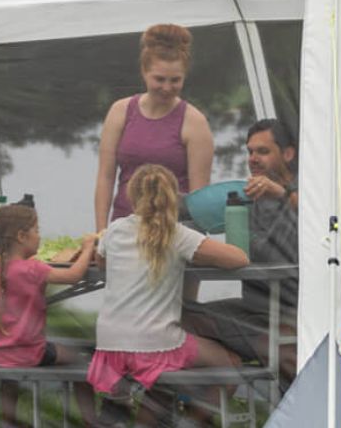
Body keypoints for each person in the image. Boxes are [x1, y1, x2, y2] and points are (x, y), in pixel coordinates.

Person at [88, 164, 248, 427]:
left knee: (161, 383)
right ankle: (191, 421)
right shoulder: (178, 235)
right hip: (154, 344)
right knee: (231, 365)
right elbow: (239, 259)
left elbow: (102, 262)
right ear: (173, 198)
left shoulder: (115, 229)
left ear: (131, 196)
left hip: (110, 347)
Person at [183, 118, 300, 385]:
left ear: (288, 153)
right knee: (179, 318)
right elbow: (194, 210)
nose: (253, 159)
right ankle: (228, 371)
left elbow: (325, 221)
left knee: (279, 346)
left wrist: (281, 193)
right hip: (255, 307)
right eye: (250, 151)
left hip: (297, 310)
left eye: (263, 151)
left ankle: (280, 361)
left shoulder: (311, 190)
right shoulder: (250, 194)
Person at [0, 204, 98, 426]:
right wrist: (87, 249)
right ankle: (91, 422)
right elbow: (73, 276)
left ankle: (8, 422)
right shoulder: (34, 269)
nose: (39, 236)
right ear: (22, 236)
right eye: (37, 230)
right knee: (81, 361)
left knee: (9, 378)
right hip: (30, 354)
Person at [95, 23, 214, 232]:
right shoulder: (120, 111)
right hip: (123, 229)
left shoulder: (195, 122)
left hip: (174, 232)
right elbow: (105, 177)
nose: (167, 88)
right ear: (144, 72)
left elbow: (199, 198)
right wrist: (101, 232)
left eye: (175, 80)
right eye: (159, 79)